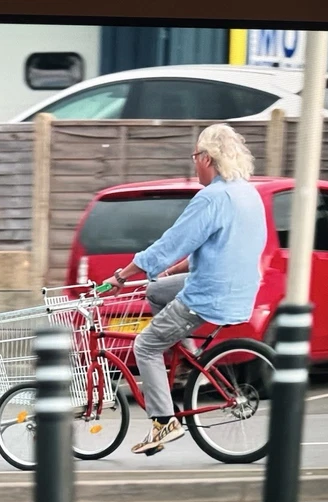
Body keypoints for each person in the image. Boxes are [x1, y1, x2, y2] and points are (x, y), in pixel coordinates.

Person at [101, 123, 267, 456]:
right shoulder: (247, 193)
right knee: (156, 291)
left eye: (195, 156)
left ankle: (164, 422)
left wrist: (124, 273)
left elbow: (170, 243)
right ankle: (189, 356)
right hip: (237, 288)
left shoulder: (212, 198)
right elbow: (222, 247)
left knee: (146, 345)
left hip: (209, 294)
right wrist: (175, 269)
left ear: (207, 157)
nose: (194, 163)